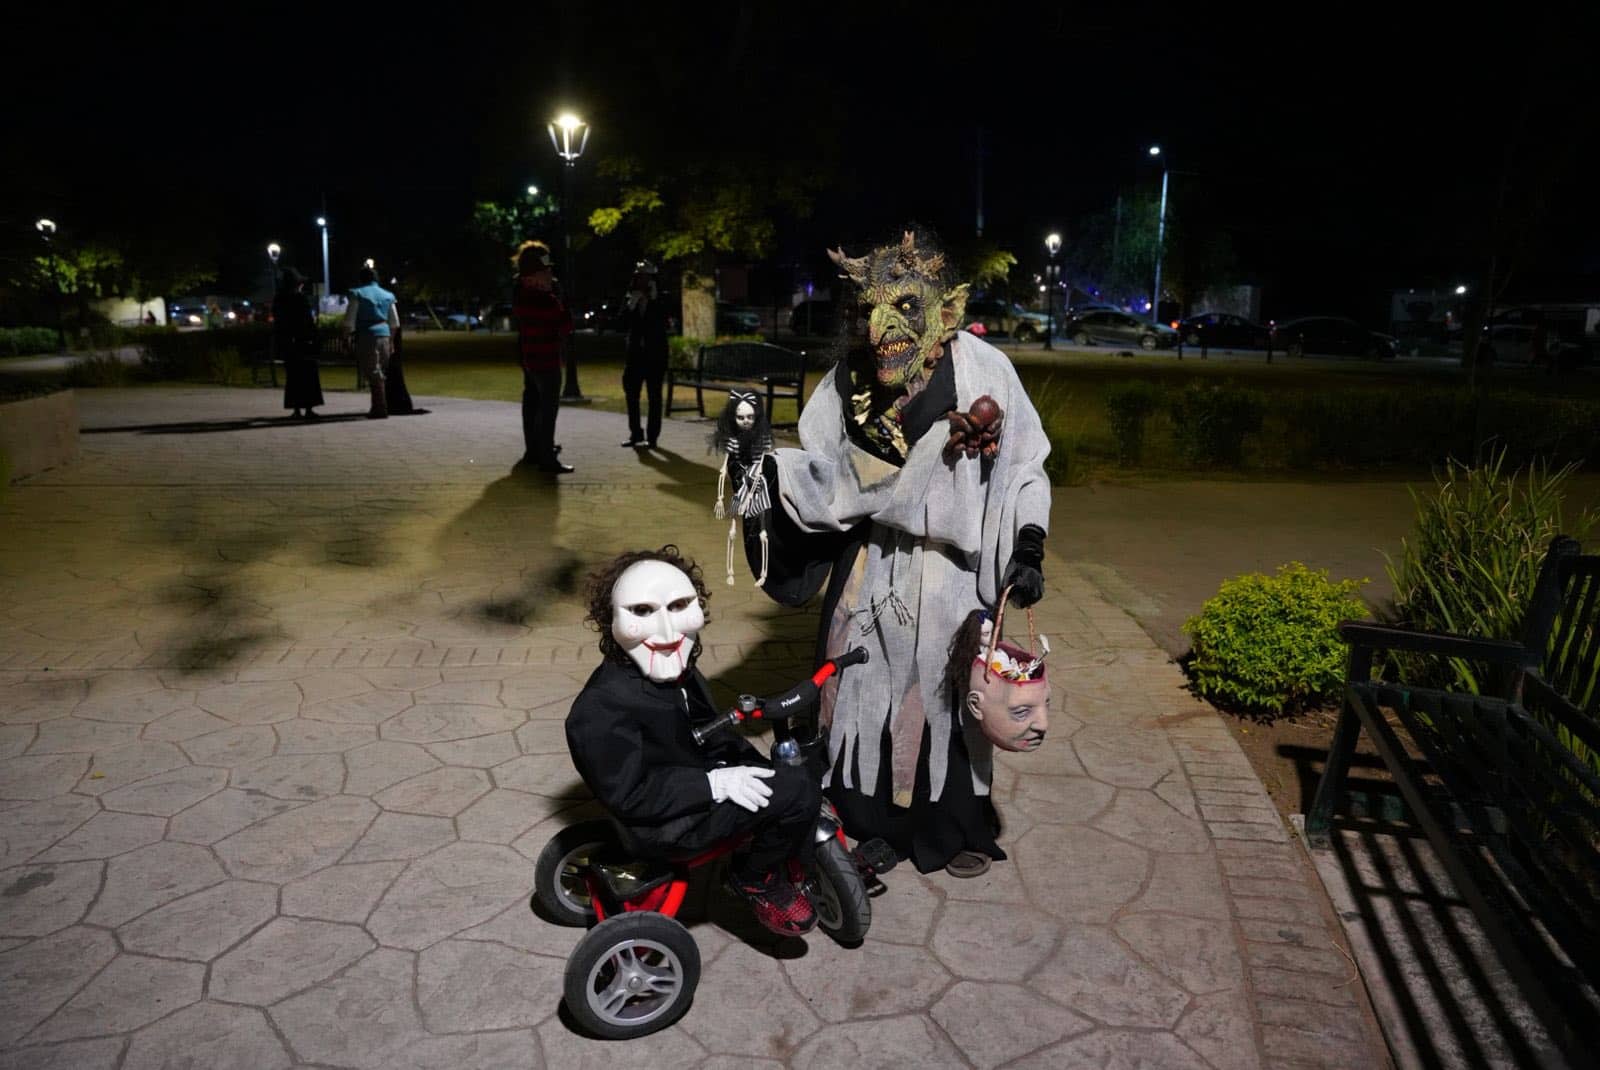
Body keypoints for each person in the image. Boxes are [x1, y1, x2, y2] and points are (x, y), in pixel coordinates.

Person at [744, 230, 1051, 878]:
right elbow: (823, 473)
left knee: (947, 696)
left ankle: (952, 826)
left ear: (945, 310)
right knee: (864, 690)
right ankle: (870, 822)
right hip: (872, 566)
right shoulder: (846, 381)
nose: (881, 325)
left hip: (952, 577)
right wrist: (765, 473)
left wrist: (1028, 542)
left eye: (905, 306)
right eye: (867, 309)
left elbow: (1025, 466)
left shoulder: (985, 370)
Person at [565, 547, 819, 936]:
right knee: (799, 789)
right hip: (664, 826)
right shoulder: (598, 710)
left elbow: (703, 727)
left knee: (774, 771)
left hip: (688, 776)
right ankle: (755, 878)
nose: (667, 634)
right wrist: (714, 784)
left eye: (679, 606)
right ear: (610, 620)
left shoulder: (676, 669)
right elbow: (631, 795)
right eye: (643, 612)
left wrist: (742, 762)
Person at [512, 241, 575, 472]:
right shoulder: (543, 299)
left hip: (530, 357)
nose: (550, 276)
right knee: (547, 409)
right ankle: (546, 457)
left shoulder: (521, 292)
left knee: (533, 403)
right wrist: (560, 299)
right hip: (545, 357)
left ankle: (535, 449)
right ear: (532, 276)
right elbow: (565, 324)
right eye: (545, 272)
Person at [621, 260, 670, 448]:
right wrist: (632, 304)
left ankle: (652, 437)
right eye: (640, 277)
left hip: (655, 356)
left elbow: (664, 321)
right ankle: (635, 433)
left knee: (654, 397)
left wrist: (654, 299)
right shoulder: (630, 296)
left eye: (647, 277)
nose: (643, 281)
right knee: (631, 395)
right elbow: (621, 323)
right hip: (634, 355)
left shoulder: (661, 297)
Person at [344, 267, 400, 419]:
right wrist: (391, 341)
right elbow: (394, 322)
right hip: (385, 335)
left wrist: (346, 338)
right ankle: (379, 406)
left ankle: (380, 408)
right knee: (380, 370)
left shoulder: (358, 293)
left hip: (367, 336)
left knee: (372, 371)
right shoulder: (388, 295)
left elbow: (349, 320)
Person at [273, 268, 323, 420]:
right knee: (308, 375)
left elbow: (278, 322)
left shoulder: (279, 299)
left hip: (288, 342)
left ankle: (296, 409)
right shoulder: (300, 299)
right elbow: (308, 321)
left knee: (293, 376)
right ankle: (308, 408)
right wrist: (314, 337)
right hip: (303, 341)